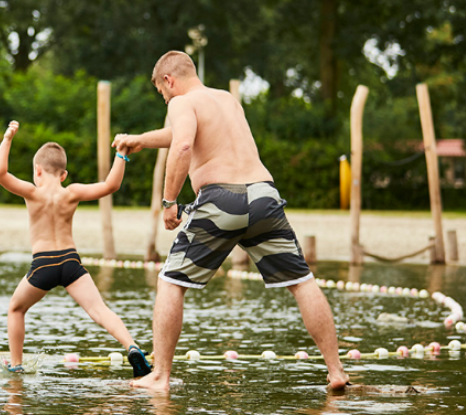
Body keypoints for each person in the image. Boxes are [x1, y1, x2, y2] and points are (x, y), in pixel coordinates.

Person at [112, 51, 349, 392]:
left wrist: (169, 203)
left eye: (162, 94)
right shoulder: (227, 100)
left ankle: (160, 376)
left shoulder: (180, 103)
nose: (165, 100)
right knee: (302, 282)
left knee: (171, 281)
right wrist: (140, 141)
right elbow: (185, 135)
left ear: (169, 80)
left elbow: (182, 145)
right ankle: (336, 371)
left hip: (221, 200)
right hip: (264, 197)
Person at [0, 120, 151, 377]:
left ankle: (16, 364)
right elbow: (111, 185)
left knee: (16, 309)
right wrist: (121, 154)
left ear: (37, 170)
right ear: (63, 174)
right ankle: (132, 347)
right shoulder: (72, 192)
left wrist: (8, 137)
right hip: (70, 262)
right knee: (99, 310)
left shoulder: (32, 193)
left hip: (43, 264)